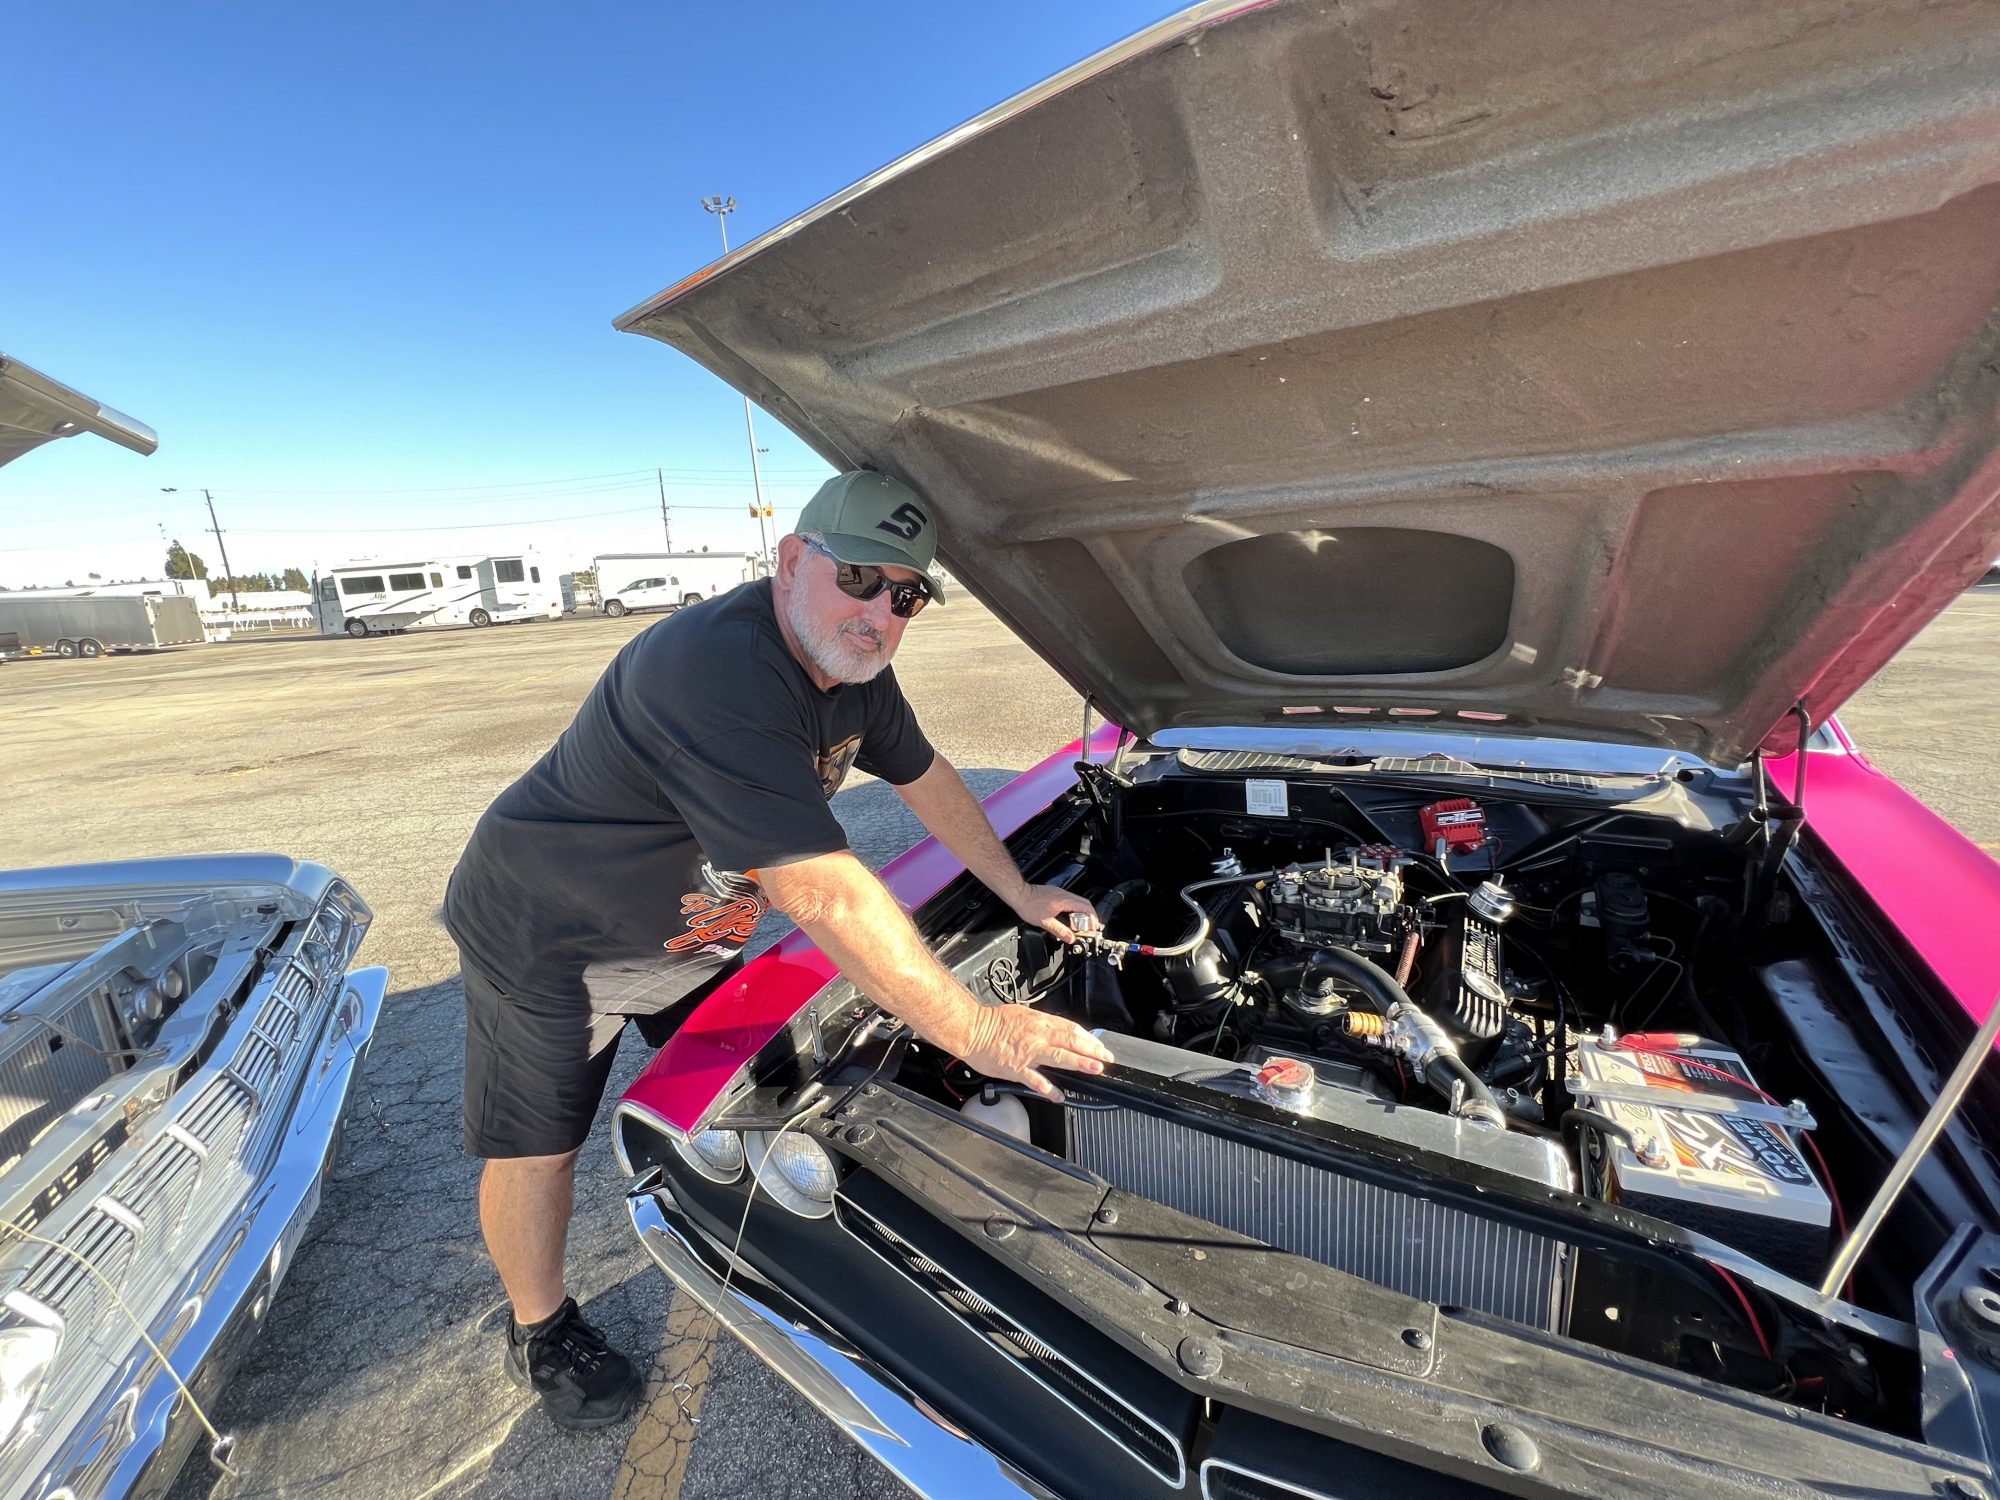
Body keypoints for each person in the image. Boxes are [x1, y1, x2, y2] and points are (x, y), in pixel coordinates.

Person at [442, 470, 1116, 1428]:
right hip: (552, 935)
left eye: (907, 594)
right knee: (541, 1149)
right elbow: (820, 886)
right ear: (793, 560)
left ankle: (755, 1239)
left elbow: (927, 778)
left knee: (763, 1089)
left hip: (691, 935)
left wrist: (1017, 887)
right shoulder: (713, 668)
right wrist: (974, 1027)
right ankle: (540, 1328)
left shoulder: (852, 674)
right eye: (861, 577)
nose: (882, 610)